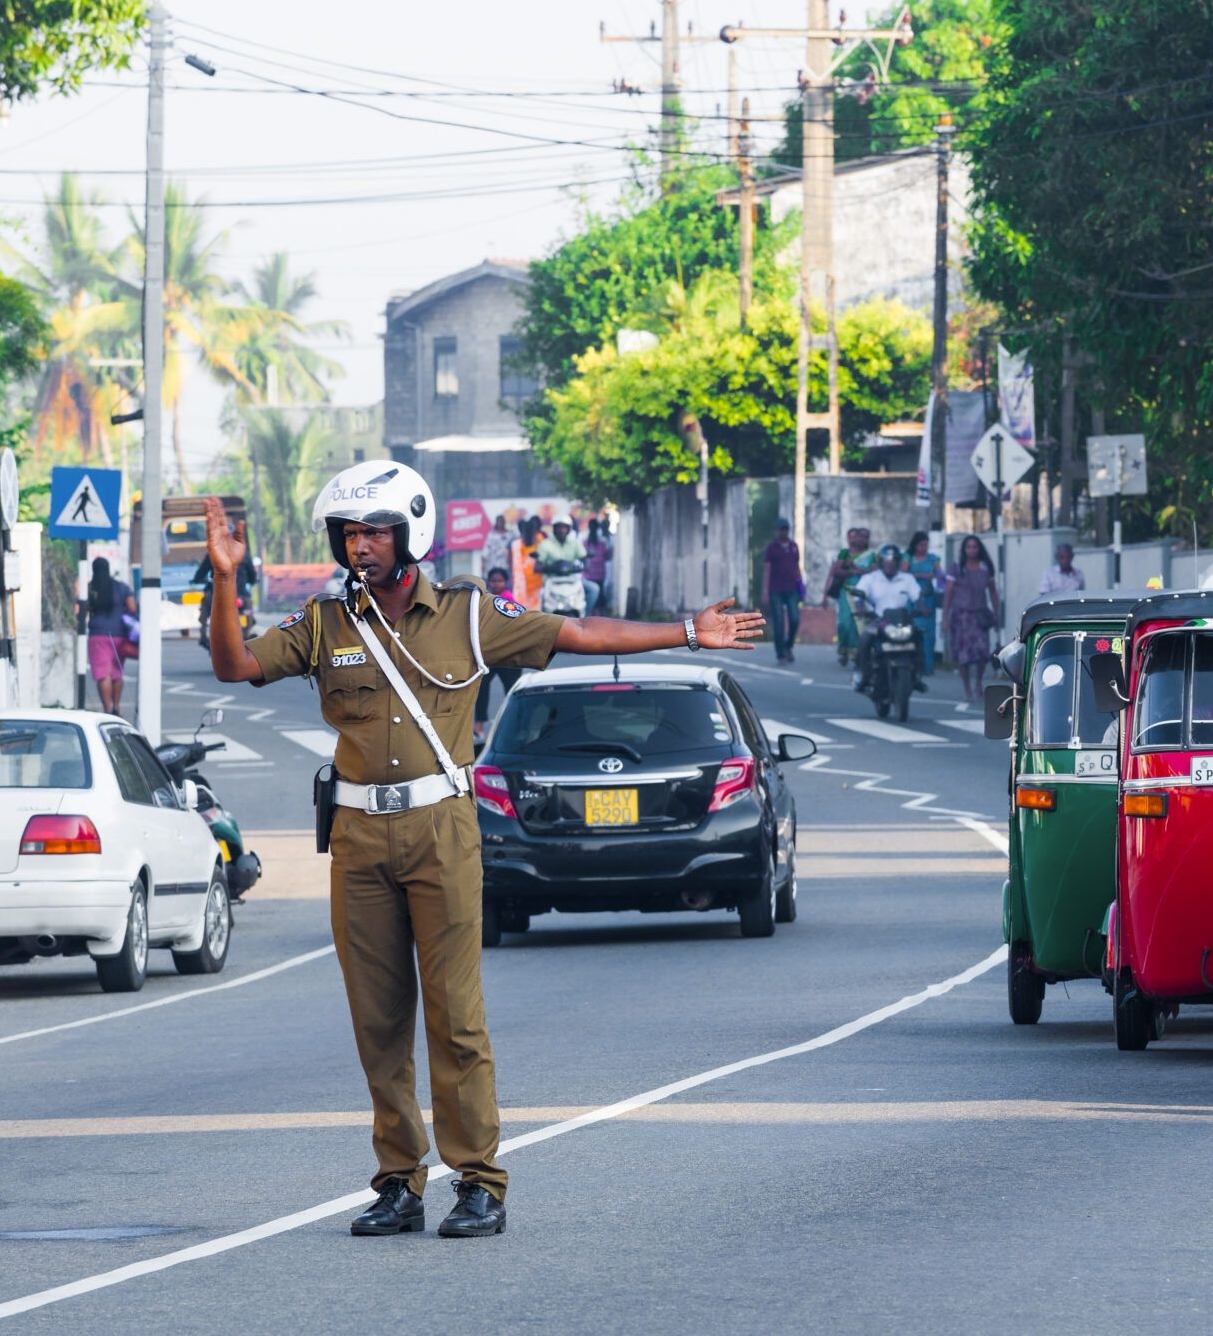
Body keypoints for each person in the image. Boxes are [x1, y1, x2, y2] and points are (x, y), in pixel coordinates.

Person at [200, 462, 763, 1240]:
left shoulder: (468, 614)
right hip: (359, 835)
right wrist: (224, 581)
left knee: (457, 1015)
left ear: (410, 534)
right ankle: (399, 1179)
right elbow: (235, 664)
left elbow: (577, 634)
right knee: (378, 1018)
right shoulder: (327, 623)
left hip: (442, 828)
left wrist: (689, 631)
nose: (360, 547)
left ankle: (479, 1180)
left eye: (374, 531)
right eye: (350, 533)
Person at [851, 544, 928, 693]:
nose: (890, 564)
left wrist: (923, 608)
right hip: (879, 619)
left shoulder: (907, 579)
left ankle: (917, 675)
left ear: (898, 562)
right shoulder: (870, 578)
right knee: (865, 639)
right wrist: (860, 610)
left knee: (918, 637)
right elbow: (858, 595)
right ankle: (860, 673)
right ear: (880, 562)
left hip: (902, 620)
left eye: (893, 561)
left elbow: (917, 596)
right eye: (886, 561)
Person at [944, 534, 1000, 705]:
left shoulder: (985, 567)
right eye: (968, 547)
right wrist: (945, 617)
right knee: (963, 656)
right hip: (961, 617)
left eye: (975, 547)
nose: (972, 550)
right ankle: (967, 687)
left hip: (979, 615)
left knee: (982, 652)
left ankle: (978, 684)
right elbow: (949, 594)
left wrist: (997, 614)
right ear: (964, 550)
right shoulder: (957, 568)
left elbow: (992, 592)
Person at [472, 568, 524, 740]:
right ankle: (478, 724)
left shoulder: (508, 601)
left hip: (508, 654)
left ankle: (516, 725)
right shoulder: (485, 599)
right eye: (493, 581)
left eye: (499, 581)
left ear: (506, 582)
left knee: (512, 691)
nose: (496, 584)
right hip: (491, 653)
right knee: (482, 687)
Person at [81, 557, 135, 717]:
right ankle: (117, 707)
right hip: (119, 635)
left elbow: (81, 609)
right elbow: (132, 607)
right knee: (117, 672)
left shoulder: (90, 588)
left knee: (103, 674)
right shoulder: (121, 587)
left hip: (97, 635)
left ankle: (107, 709)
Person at [827, 528, 874, 667]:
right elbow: (836, 571)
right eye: (858, 537)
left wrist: (862, 571)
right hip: (846, 591)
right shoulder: (845, 553)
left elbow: (875, 571)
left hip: (864, 594)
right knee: (844, 623)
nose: (861, 540)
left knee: (859, 625)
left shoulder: (872, 555)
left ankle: (856, 654)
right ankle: (843, 650)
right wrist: (852, 571)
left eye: (865, 537)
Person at [762, 518, 803, 664]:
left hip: (792, 588)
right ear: (776, 530)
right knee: (778, 622)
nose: (783, 531)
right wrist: (765, 591)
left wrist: (801, 586)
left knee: (794, 618)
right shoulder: (772, 548)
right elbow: (767, 570)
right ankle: (780, 654)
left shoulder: (793, 546)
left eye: (785, 529)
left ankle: (788, 645)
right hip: (776, 589)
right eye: (781, 529)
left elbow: (797, 567)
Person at [905, 531, 943, 675]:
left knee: (928, 634)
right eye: (921, 545)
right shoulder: (908, 558)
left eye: (926, 545)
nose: (924, 548)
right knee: (911, 631)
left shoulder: (933, 559)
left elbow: (940, 575)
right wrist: (922, 575)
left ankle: (927, 666)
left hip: (928, 598)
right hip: (912, 599)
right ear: (915, 545)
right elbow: (903, 574)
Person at [582, 517, 610, 614]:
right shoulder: (601, 542)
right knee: (596, 600)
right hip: (595, 575)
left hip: (593, 575)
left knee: (594, 599)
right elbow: (608, 556)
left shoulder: (586, 543)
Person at [480, 514, 514, 589]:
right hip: (493, 566)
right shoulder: (491, 535)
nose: (500, 523)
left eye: (502, 521)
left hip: (506, 567)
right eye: (499, 521)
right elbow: (485, 554)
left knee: (506, 587)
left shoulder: (510, 535)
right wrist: (483, 572)